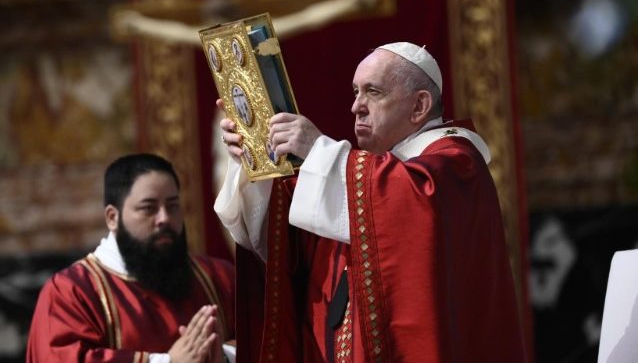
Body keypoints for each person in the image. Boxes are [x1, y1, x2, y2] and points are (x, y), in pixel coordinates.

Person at [214, 42, 527, 362]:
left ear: (419, 106)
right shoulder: (360, 176)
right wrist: (253, 158)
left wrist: (316, 149)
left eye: (373, 92)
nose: (356, 106)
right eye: (355, 92)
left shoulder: (455, 164)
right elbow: (285, 243)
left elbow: (407, 207)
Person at [27, 153, 235, 362]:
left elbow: (263, 337)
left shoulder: (219, 278)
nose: (164, 219)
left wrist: (222, 356)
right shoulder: (72, 293)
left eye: (172, 206)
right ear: (112, 218)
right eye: (148, 208)